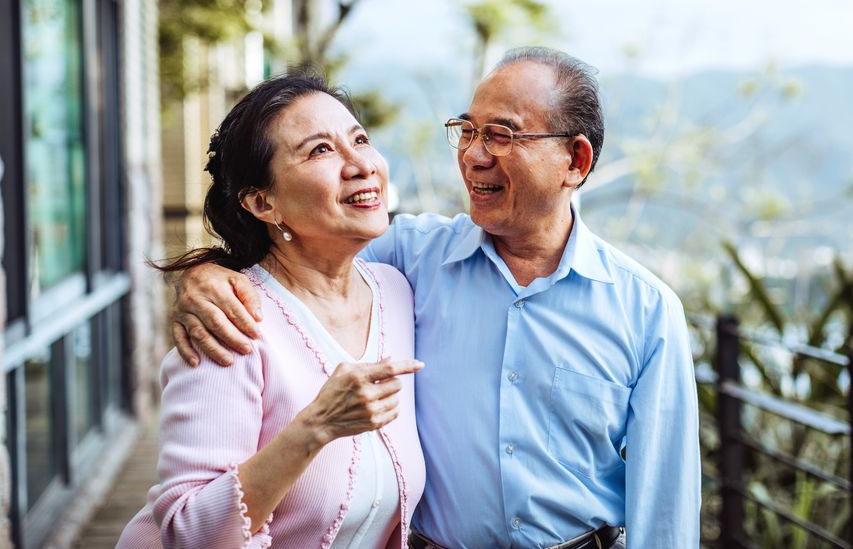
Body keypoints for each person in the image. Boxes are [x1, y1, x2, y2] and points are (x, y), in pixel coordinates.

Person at [172, 48, 701, 548]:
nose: (473, 155)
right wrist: (208, 272)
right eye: (467, 131)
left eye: (500, 135)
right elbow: (303, 250)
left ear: (575, 161)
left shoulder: (646, 310)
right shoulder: (409, 261)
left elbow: (665, 505)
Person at [117, 75, 425, 549]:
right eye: (320, 150)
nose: (360, 164)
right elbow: (186, 531)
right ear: (263, 202)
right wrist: (316, 426)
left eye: (360, 139)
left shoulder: (398, 290)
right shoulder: (230, 323)